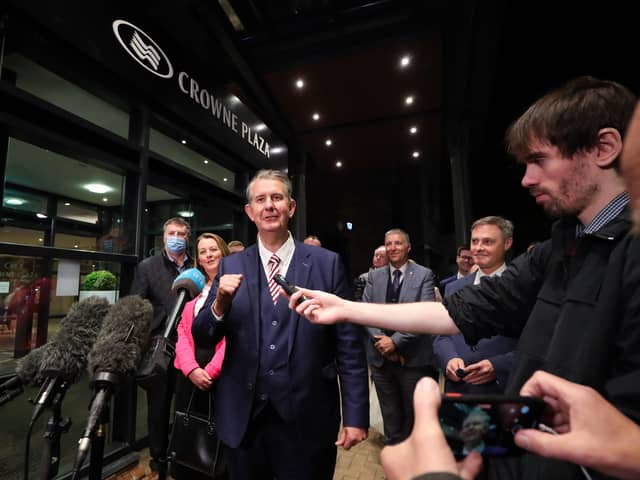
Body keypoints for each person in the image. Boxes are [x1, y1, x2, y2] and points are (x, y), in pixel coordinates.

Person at [288, 76, 640, 479]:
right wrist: (346, 308)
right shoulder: (562, 244)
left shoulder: (628, 254)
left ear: (604, 148)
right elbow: (461, 310)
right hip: (525, 440)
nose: (526, 179)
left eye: (539, 160)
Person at [192, 169, 369, 480]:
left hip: (307, 417)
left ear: (291, 207)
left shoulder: (326, 264)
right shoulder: (231, 265)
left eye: (277, 197)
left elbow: (349, 346)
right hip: (244, 419)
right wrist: (219, 303)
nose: (269, 205)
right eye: (260, 199)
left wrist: (356, 415)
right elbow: (203, 336)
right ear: (250, 211)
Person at [130, 217, 194, 480]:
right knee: (158, 409)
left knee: (185, 407)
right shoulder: (148, 267)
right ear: (164, 237)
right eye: (172, 233)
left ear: (188, 238)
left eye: (181, 233)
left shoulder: (196, 266)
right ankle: (158, 463)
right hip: (159, 350)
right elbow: (135, 306)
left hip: (190, 349)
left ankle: (183, 459)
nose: (176, 236)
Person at [363, 228, 437, 444]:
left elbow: (424, 314)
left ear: (408, 247)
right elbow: (366, 312)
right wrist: (382, 344)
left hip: (412, 360)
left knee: (413, 416)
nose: (393, 248)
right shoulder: (373, 277)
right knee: (390, 417)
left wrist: (394, 342)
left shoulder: (424, 274)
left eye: (398, 243)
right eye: (389, 244)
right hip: (381, 360)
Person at [434, 216, 517, 394]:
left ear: (507, 243)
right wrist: (449, 359)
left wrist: (497, 366)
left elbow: (535, 344)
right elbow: (441, 336)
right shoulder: (453, 288)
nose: (478, 248)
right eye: (475, 241)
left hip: (503, 390)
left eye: (487, 242)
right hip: (458, 389)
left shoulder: (522, 286)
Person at [173, 233, 230, 479]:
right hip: (190, 374)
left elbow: (236, 335)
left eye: (213, 249)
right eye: (203, 251)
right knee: (189, 430)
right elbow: (183, 333)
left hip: (220, 376)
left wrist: (211, 371)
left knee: (219, 442)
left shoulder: (235, 287)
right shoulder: (194, 290)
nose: (208, 255)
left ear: (223, 252)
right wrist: (191, 368)